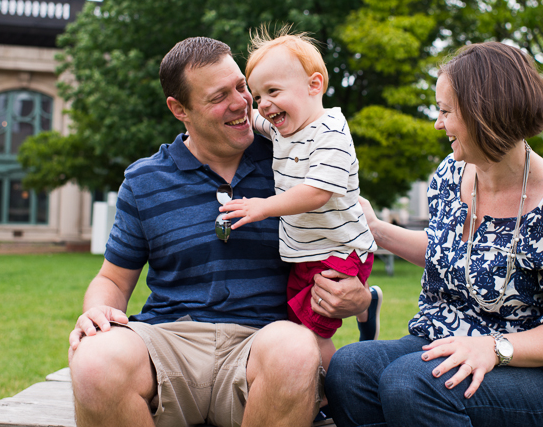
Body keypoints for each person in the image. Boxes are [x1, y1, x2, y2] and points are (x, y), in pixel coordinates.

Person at [67, 36, 372, 427]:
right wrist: (96, 312)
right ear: (180, 109)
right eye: (218, 97)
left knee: (296, 349)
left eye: (241, 87)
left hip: (261, 346)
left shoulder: (292, 158)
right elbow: (112, 277)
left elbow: (347, 234)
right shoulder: (145, 180)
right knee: (93, 358)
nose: (243, 103)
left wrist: (358, 298)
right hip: (170, 342)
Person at [325, 41, 543, 427]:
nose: (437, 123)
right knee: (350, 368)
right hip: (444, 338)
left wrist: (493, 348)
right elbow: (457, 257)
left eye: (445, 111)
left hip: (536, 376)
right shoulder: (451, 174)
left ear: (484, 114)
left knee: (412, 383)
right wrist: (375, 231)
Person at [219, 28, 380, 368]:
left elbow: (317, 192)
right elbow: (249, 118)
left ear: (314, 85)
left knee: (310, 332)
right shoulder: (282, 126)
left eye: (273, 91)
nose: (263, 104)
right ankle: (367, 307)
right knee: (296, 320)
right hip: (303, 251)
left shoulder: (331, 131)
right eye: (258, 94)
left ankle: (325, 396)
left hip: (340, 250)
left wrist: (263, 207)